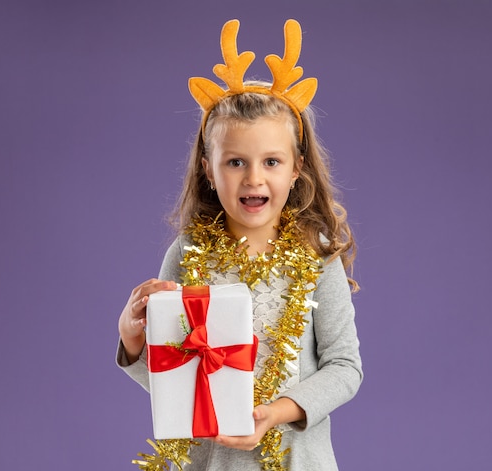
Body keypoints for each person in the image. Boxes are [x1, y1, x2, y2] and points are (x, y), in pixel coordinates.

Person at [116, 19, 362, 471]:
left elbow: (345, 369)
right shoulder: (188, 254)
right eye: (235, 162)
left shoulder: (316, 258)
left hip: (296, 462)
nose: (253, 178)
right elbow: (176, 382)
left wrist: (276, 413)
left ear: (296, 169)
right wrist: (134, 344)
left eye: (271, 161)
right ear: (209, 170)